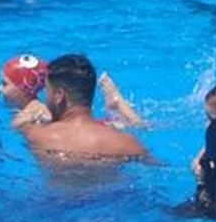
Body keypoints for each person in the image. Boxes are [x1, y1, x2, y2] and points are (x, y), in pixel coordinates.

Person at [18, 54, 149, 161]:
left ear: (59, 95)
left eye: (47, 91)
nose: (45, 98)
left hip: (52, 194)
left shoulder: (37, 135)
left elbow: (18, 123)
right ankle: (118, 104)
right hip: (113, 193)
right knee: (135, 125)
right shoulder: (128, 144)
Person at [1, 53, 143, 129]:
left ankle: (117, 103)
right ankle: (116, 103)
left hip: (81, 133)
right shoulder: (39, 106)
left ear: (23, 87)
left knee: (137, 127)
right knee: (135, 126)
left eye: (4, 84)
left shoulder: (36, 109)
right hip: (82, 129)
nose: (0, 89)